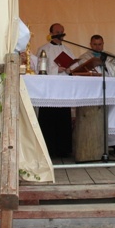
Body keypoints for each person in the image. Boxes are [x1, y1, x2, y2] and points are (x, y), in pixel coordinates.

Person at [35, 23, 76, 157]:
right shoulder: (43, 49)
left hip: (63, 90)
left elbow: (74, 67)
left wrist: (70, 70)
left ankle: (63, 149)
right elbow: (39, 69)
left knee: (63, 118)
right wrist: (56, 69)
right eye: (57, 32)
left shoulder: (68, 50)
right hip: (49, 90)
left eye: (62, 32)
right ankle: (49, 149)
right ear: (51, 33)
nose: (60, 34)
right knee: (48, 119)